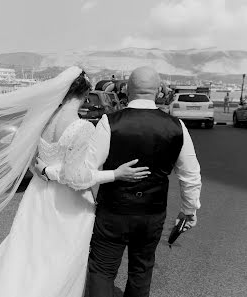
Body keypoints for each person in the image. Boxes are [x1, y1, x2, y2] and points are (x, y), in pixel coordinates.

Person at [0, 71, 150, 297]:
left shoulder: (44, 121)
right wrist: (115, 174)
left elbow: (35, 163)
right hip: (66, 203)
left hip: (37, 194)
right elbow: (75, 178)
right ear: (84, 95)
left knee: (31, 253)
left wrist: (46, 170)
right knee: (59, 258)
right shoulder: (82, 127)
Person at [39, 66, 202, 297]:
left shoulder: (109, 122)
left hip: (113, 210)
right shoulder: (178, 127)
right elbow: (190, 175)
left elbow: (86, 169)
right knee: (141, 270)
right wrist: (188, 210)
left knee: (102, 270)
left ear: (127, 90)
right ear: (158, 91)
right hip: (152, 212)